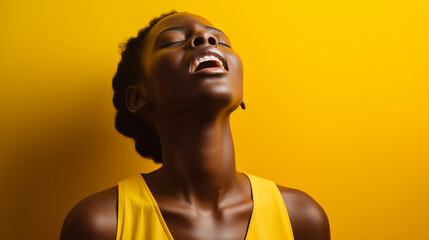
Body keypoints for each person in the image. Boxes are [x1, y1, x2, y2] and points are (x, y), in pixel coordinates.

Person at [60, 11, 330, 240]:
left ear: (241, 90)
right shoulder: (100, 225)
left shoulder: (301, 219)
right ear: (138, 98)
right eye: (172, 41)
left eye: (221, 40)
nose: (206, 39)